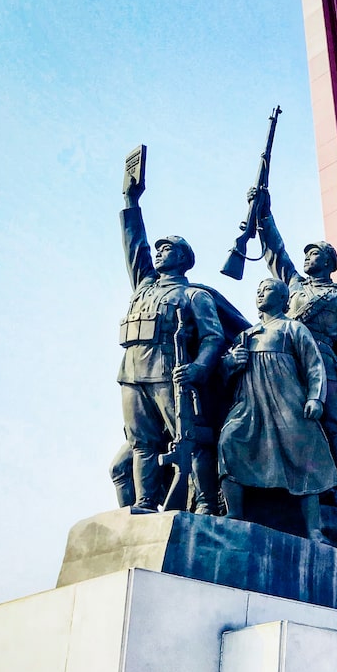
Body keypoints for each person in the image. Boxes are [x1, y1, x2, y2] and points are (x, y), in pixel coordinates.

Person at [253, 187, 337, 496]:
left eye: (313, 253)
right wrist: (263, 214)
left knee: (331, 427)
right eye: (305, 254)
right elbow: (275, 253)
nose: (306, 258)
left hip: (324, 363)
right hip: (286, 361)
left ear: (329, 262)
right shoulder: (294, 287)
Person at [118, 168, 223, 512]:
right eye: (159, 248)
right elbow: (135, 246)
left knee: (190, 439)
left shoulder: (193, 295)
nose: (159, 252)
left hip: (169, 372)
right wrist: (131, 201)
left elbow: (213, 337)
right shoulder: (145, 285)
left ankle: (207, 502)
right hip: (132, 374)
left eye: (168, 248)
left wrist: (197, 368)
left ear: (183, 258)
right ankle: (147, 500)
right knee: (141, 442)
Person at [217, 278, 337, 542]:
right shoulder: (245, 335)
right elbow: (224, 377)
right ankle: (234, 511)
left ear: (283, 299)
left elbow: (314, 365)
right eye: (258, 290)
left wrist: (316, 398)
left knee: (305, 454)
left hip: (287, 401)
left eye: (267, 289)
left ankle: (314, 528)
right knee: (230, 440)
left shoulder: (293, 328)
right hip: (250, 404)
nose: (260, 293)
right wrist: (230, 364)